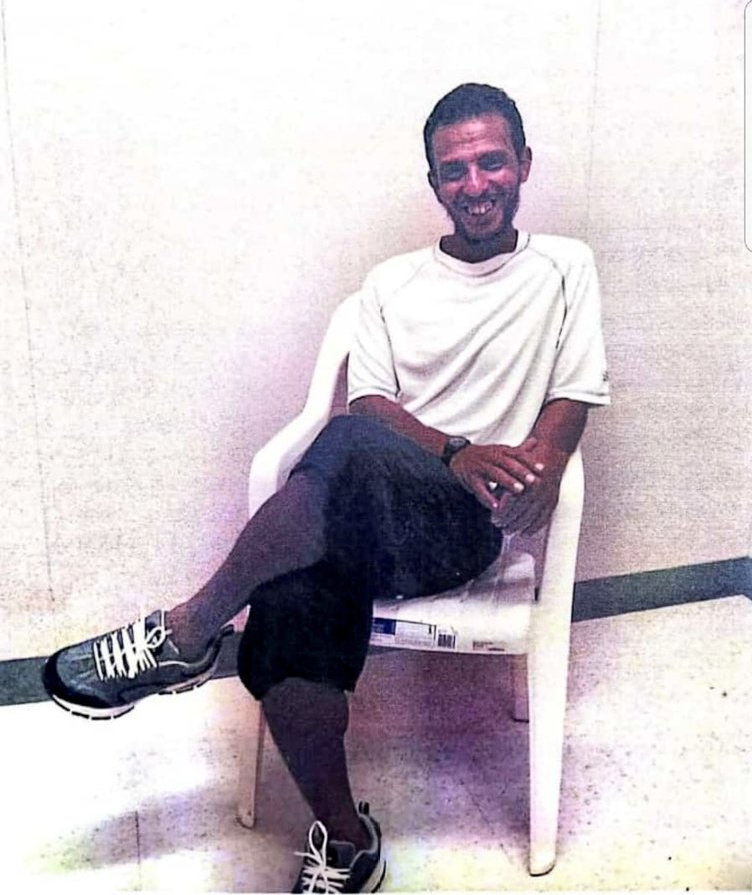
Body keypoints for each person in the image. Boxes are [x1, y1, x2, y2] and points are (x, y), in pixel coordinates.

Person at [42, 82, 610, 893]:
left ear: (523, 163)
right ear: (434, 183)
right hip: (375, 503)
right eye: (454, 170)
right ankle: (348, 842)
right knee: (289, 600)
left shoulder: (564, 267)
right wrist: (453, 450)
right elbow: (371, 403)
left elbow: (575, 392)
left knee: (342, 444)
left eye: (491, 162)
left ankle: (189, 630)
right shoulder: (390, 284)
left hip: (461, 527)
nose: (475, 184)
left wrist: (543, 463)